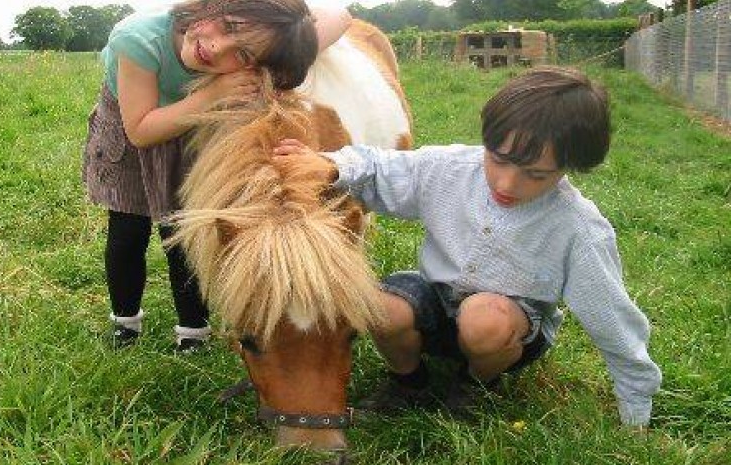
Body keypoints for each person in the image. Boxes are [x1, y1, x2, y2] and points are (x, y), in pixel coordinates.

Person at [272, 66, 662, 428]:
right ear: (487, 140)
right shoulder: (449, 169)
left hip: (507, 323)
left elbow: (611, 318)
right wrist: (331, 166)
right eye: (498, 160)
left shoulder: (579, 228)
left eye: (536, 174)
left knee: (483, 319)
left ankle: (476, 385)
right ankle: (409, 383)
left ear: (570, 166)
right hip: (438, 299)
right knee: (377, 305)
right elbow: (378, 167)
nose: (507, 184)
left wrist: (635, 402)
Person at [82, 0, 352, 351]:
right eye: (229, 26)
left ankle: (193, 330)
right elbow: (141, 131)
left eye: (242, 56)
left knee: (185, 231)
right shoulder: (138, 40)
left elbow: (341, 16)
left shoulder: (262, 48)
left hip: (195, 134)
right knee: (127, 230)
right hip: (134, 127)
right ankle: (125, 322)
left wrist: (286, 50)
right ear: (219, 2)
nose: (216, 47)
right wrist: (214, 93)